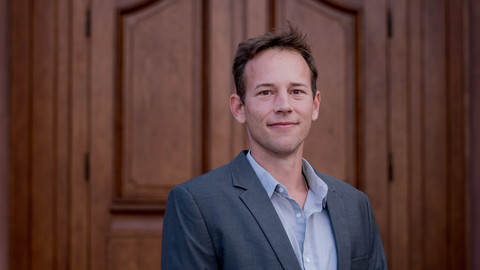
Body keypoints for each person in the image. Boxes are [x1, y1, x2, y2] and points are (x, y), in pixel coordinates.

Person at [161, 25, 388, 270]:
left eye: (296, 91)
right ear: (239, 108)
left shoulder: (355, 205)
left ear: (315, 104)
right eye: (266, 92)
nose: (284, 105)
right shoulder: (197, 204)